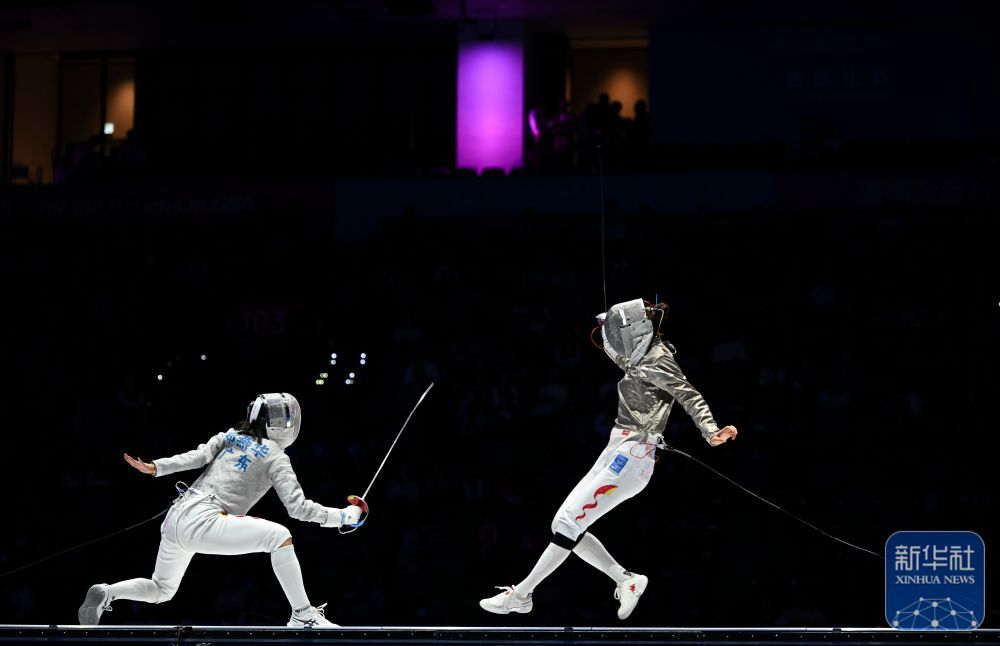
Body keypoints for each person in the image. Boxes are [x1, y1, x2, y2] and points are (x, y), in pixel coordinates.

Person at [479, 299, 738, 619]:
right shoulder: (637, 354)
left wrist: (710, 431)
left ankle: (522, 595)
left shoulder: (660, 359)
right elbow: (614, 351)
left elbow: (688, 394)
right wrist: (606, 327)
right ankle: (626, 580)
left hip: (633, 457)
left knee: (569, 523)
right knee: (563, 523)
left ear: (636, 330)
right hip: (617, 449)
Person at [78, 392, 362, 628]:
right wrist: (342, 516)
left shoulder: (231, 436)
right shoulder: (276, 457)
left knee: (162, 589)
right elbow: (297, 508)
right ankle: (303, 614)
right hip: (205, 519)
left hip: (177, 515)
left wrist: (156, 467)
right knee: (279, 536)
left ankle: (108, 592)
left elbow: (197, 456)